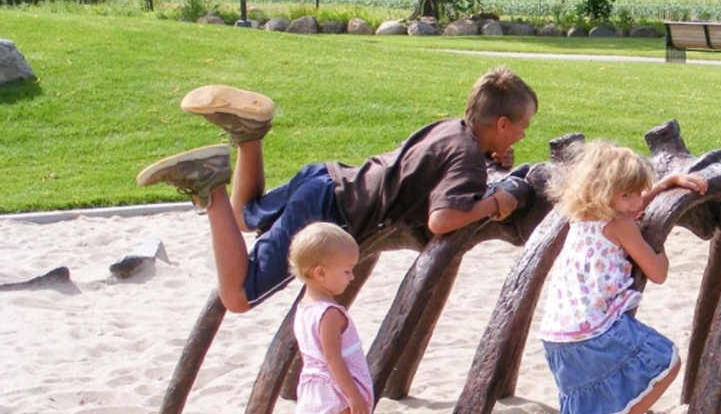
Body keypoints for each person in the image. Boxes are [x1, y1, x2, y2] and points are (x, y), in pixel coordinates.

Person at [136, 67, 537, 313]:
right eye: (522, 126)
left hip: (326, 179)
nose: (523, 133)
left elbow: (435, 169)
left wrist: (487, 161)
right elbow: (442, 219)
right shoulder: (467, 158)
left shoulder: (453, 129)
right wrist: (497, 201)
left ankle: (250, 133)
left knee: (245, 215)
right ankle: (209, 186)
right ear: (502, 124)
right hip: (329, 212)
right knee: (238, 296)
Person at [538, 141, 708, 414]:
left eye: (637, 194)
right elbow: (657, 273)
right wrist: (660, 251)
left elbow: (624, 205)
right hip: (593, 333)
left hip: (558, 336)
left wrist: (661, 186)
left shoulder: (579, 215)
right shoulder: (621, 225)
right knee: (666, 361)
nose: (635, 203)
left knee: (590, 394)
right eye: (627, 195)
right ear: (604, 193)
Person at [288, 223, 387, 414]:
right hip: (335, 394)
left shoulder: (304, 308)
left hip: (312, 390)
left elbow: (310, 356)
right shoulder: (330, 313)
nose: (352, 276)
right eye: (346, 271)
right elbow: (334, 359)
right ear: (320, 272)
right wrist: (353, 396)